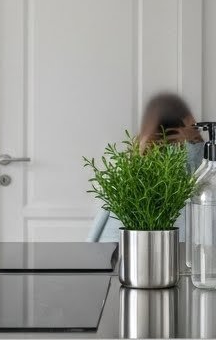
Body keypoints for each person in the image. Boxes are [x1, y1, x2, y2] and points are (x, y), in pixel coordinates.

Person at [87, 92, 204, 242]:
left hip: (111, 246)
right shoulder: (190, 164)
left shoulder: (126, 164)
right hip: (161, 250)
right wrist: (192, 143)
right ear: (185, 121)